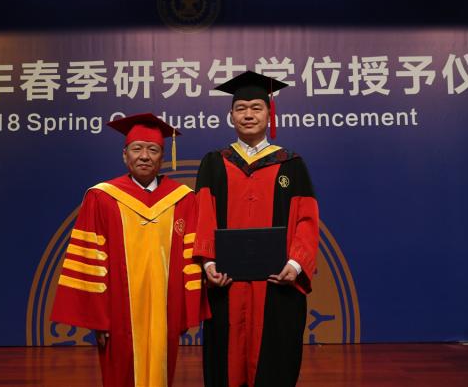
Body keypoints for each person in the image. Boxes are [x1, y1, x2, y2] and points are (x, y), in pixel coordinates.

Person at [51, 113, 208, 387]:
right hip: (116, 312)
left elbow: (190, 260)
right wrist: (97, 318)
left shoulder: (183, 200)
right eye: (137, 149)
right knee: (118, 373)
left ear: (162, 157)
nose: (144, 156)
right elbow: (89, 261)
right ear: (125, 155)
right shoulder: (102, 198)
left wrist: (185, 311)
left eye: (153, 150)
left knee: (163, 369)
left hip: (166, 310)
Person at [193, 71, 320, 387]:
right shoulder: (214, 163)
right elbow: (203, 215)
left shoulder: (291, 164)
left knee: (275, 360)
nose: (248, 115)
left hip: (277, 283)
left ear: (269, 114)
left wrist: (295, 264)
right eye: (241, 108)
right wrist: (208, 263)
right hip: (227, 282)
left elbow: (306, 220)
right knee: (225, 359)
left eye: (256, 108)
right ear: (230, 115)